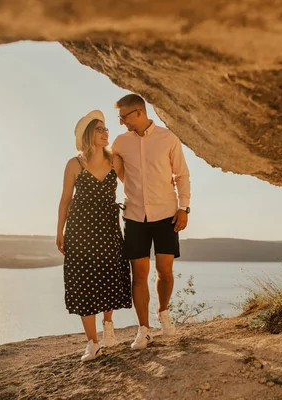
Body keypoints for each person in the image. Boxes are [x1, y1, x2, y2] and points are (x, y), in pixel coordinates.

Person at [112, 94, 191, 350]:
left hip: (167, 214)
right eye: (119, 118)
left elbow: (181, 174)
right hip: (134, 216)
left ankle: (164, 312)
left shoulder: (168, 138)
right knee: (139, 275)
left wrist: (184, 208)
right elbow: (117, 171)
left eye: (124, 117)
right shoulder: (121, 142)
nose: (122, 122)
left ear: (139, 112)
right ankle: (143, 330)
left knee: (165, 272)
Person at [56, 110, 132, 362]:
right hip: (80, 230)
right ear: (88, 135)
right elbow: (66, 200)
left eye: (106, 128)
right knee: (82, 281)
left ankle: (108, 325)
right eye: (99, 129)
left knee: (110, 274)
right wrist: (60, 231)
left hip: (108, 229)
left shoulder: (115, 161)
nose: (105, 132)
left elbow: (134, 184)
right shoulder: (74, 164)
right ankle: (92, 342)